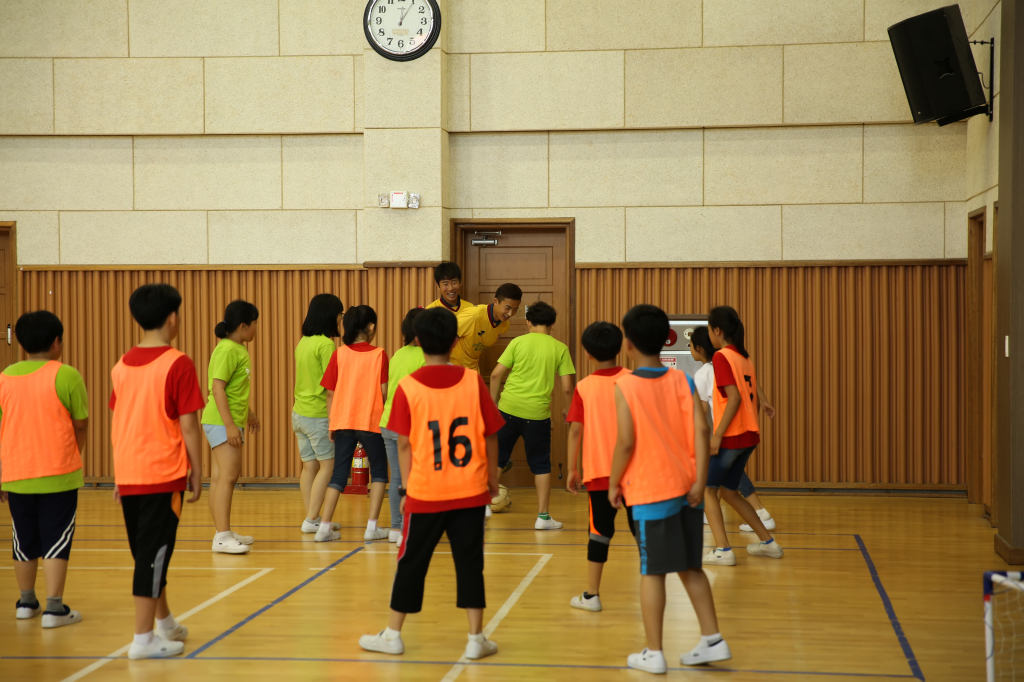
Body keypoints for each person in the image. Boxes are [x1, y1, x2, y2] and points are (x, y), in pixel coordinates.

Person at [359, 306, 503, 660]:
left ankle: (393, 634)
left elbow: (404, 442)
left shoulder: (408, 386)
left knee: (411, 561)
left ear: (418, 341)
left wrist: (407, 487)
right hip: (470, 490)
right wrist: (492, 479)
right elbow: (490, 435)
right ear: (456, 341)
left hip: (425, 491)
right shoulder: (472, 381)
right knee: (470, 563)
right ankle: (475, 639)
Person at [609, 304, 731, 673]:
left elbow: (626, 442)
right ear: (665, 340)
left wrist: (613, 482)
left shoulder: (625, 385)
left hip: (651, 493)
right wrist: (699, 481)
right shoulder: (683, 380)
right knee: (691, 567)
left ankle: (654, 652)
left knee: (652, 571)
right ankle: (712, 640)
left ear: (627, 345)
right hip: (687, 489)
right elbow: (701, 432)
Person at [110, 283, 205, 659]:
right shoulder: (177, 363)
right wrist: (196, 469)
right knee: (152, 555)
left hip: (131, 473)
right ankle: (142, 640)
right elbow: (189, 424)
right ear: (173, 318)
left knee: (148, 553)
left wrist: (119, 474)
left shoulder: (120, 365)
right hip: (161, 475)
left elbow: (118, 423)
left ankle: (164, 622)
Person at [0, 311, 88, 628]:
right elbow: (81, 423)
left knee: (22, 540)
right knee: (56, 539)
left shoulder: (5, 377)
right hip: (58, 473)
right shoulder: (66, 375)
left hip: (15, 474)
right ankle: (54, 609)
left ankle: (26, 602)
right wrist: (73, 454)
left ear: (21, 343)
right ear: (56, 343)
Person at [701, 306, 783, 566]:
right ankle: (768, 543)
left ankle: (723, 550)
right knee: (730, 492)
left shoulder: (721, 357)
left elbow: (734, 397)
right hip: (749, 436)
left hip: (732, 437)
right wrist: (765, 402)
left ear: (717, 331)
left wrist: (717, 436)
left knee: (707, 490)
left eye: (709, 329)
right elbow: (751, 390)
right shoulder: (744, 357)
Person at [489, 301, 575, 528]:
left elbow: (497, 374)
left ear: (528, 323)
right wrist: (570, 408)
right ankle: (543, 517)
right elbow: (567, 387)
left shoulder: (518, 342)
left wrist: (493, 402)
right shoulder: (560, 348)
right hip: (537, 415)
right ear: (552, 325)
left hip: (507, 409)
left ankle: (482, 509)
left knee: (497, 459)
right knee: (541, 465)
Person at [565, 321, 632, 612]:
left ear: (587, 354)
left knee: (599, 532)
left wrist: (572, 469)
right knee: (643, 531)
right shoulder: (634, 379)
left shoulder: (584, 386)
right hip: (635, 472)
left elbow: (575, 431)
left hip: (599, 473)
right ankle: (656, 584)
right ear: (621, 349)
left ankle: (592, 595)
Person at [689, 327, 777, 532]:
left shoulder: (704, 373)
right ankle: (715, 512)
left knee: (721, 480)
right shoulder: (731, 363)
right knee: (723, 479)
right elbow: (751, 383)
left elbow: (701, 410)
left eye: (690, 346)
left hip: (720, 433)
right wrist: (763, 402)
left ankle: (760, 513)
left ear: (700, 348)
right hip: (738, 430)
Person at [315, 305, 391, 542]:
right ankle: (371, 527)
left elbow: (329, 393)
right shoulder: (380, 354)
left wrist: (332, 423)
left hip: (343, 421)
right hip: (371, 421)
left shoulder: (339, 353)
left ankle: (324, 527)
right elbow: (384, 391)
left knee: (338, 475)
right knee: (378, 473)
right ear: (371, 328)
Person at [201, 300, 261, 555]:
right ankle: (223, 537)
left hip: (225, 420)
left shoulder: (235, 349)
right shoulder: (228, 350)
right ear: (244, 326)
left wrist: (248, 415)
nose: (257, 329)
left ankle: (222, 531)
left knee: (219, 478)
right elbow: (217, 388)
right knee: (228, 477)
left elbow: (235, 390)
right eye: (255, 324)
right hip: (221, 422)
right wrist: (230, 426)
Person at [295, 294, 345, 535]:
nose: (341, 318)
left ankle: (311, 518)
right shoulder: (326, 345)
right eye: (340, 314)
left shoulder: (303, 342)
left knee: (309, 467)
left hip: (299, 413)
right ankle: (313, 517)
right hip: (318, 415)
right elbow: (331, 386)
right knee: (327, 467)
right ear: (330, 315)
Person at [380, 308, 426, 545]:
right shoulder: (424, 357)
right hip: (408, 426)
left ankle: (396, 529)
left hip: (388, 422)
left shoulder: (398, 354)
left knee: (397, 477)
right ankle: (408, 530)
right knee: (413, 478)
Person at [449, 283, 522, 373]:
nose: (510, 314)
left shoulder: (504, 326)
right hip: (453, 367)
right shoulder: (473, 316)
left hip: (472, 370)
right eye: (507, 308)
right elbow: (444, 338)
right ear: (495, 301)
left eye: (515, 309)